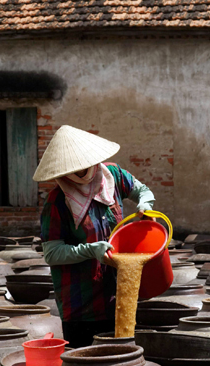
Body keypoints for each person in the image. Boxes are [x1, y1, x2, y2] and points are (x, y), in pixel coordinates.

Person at [32, 125, 155, 348]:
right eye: (75, 169)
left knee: (123, 359)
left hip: (117, 294)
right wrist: (90, 250)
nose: (83, 173)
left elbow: (142, 190)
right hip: (81, 303)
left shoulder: (113, 176)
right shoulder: (58, 201)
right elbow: (52, 254)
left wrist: (145, 203)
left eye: (85, 166)